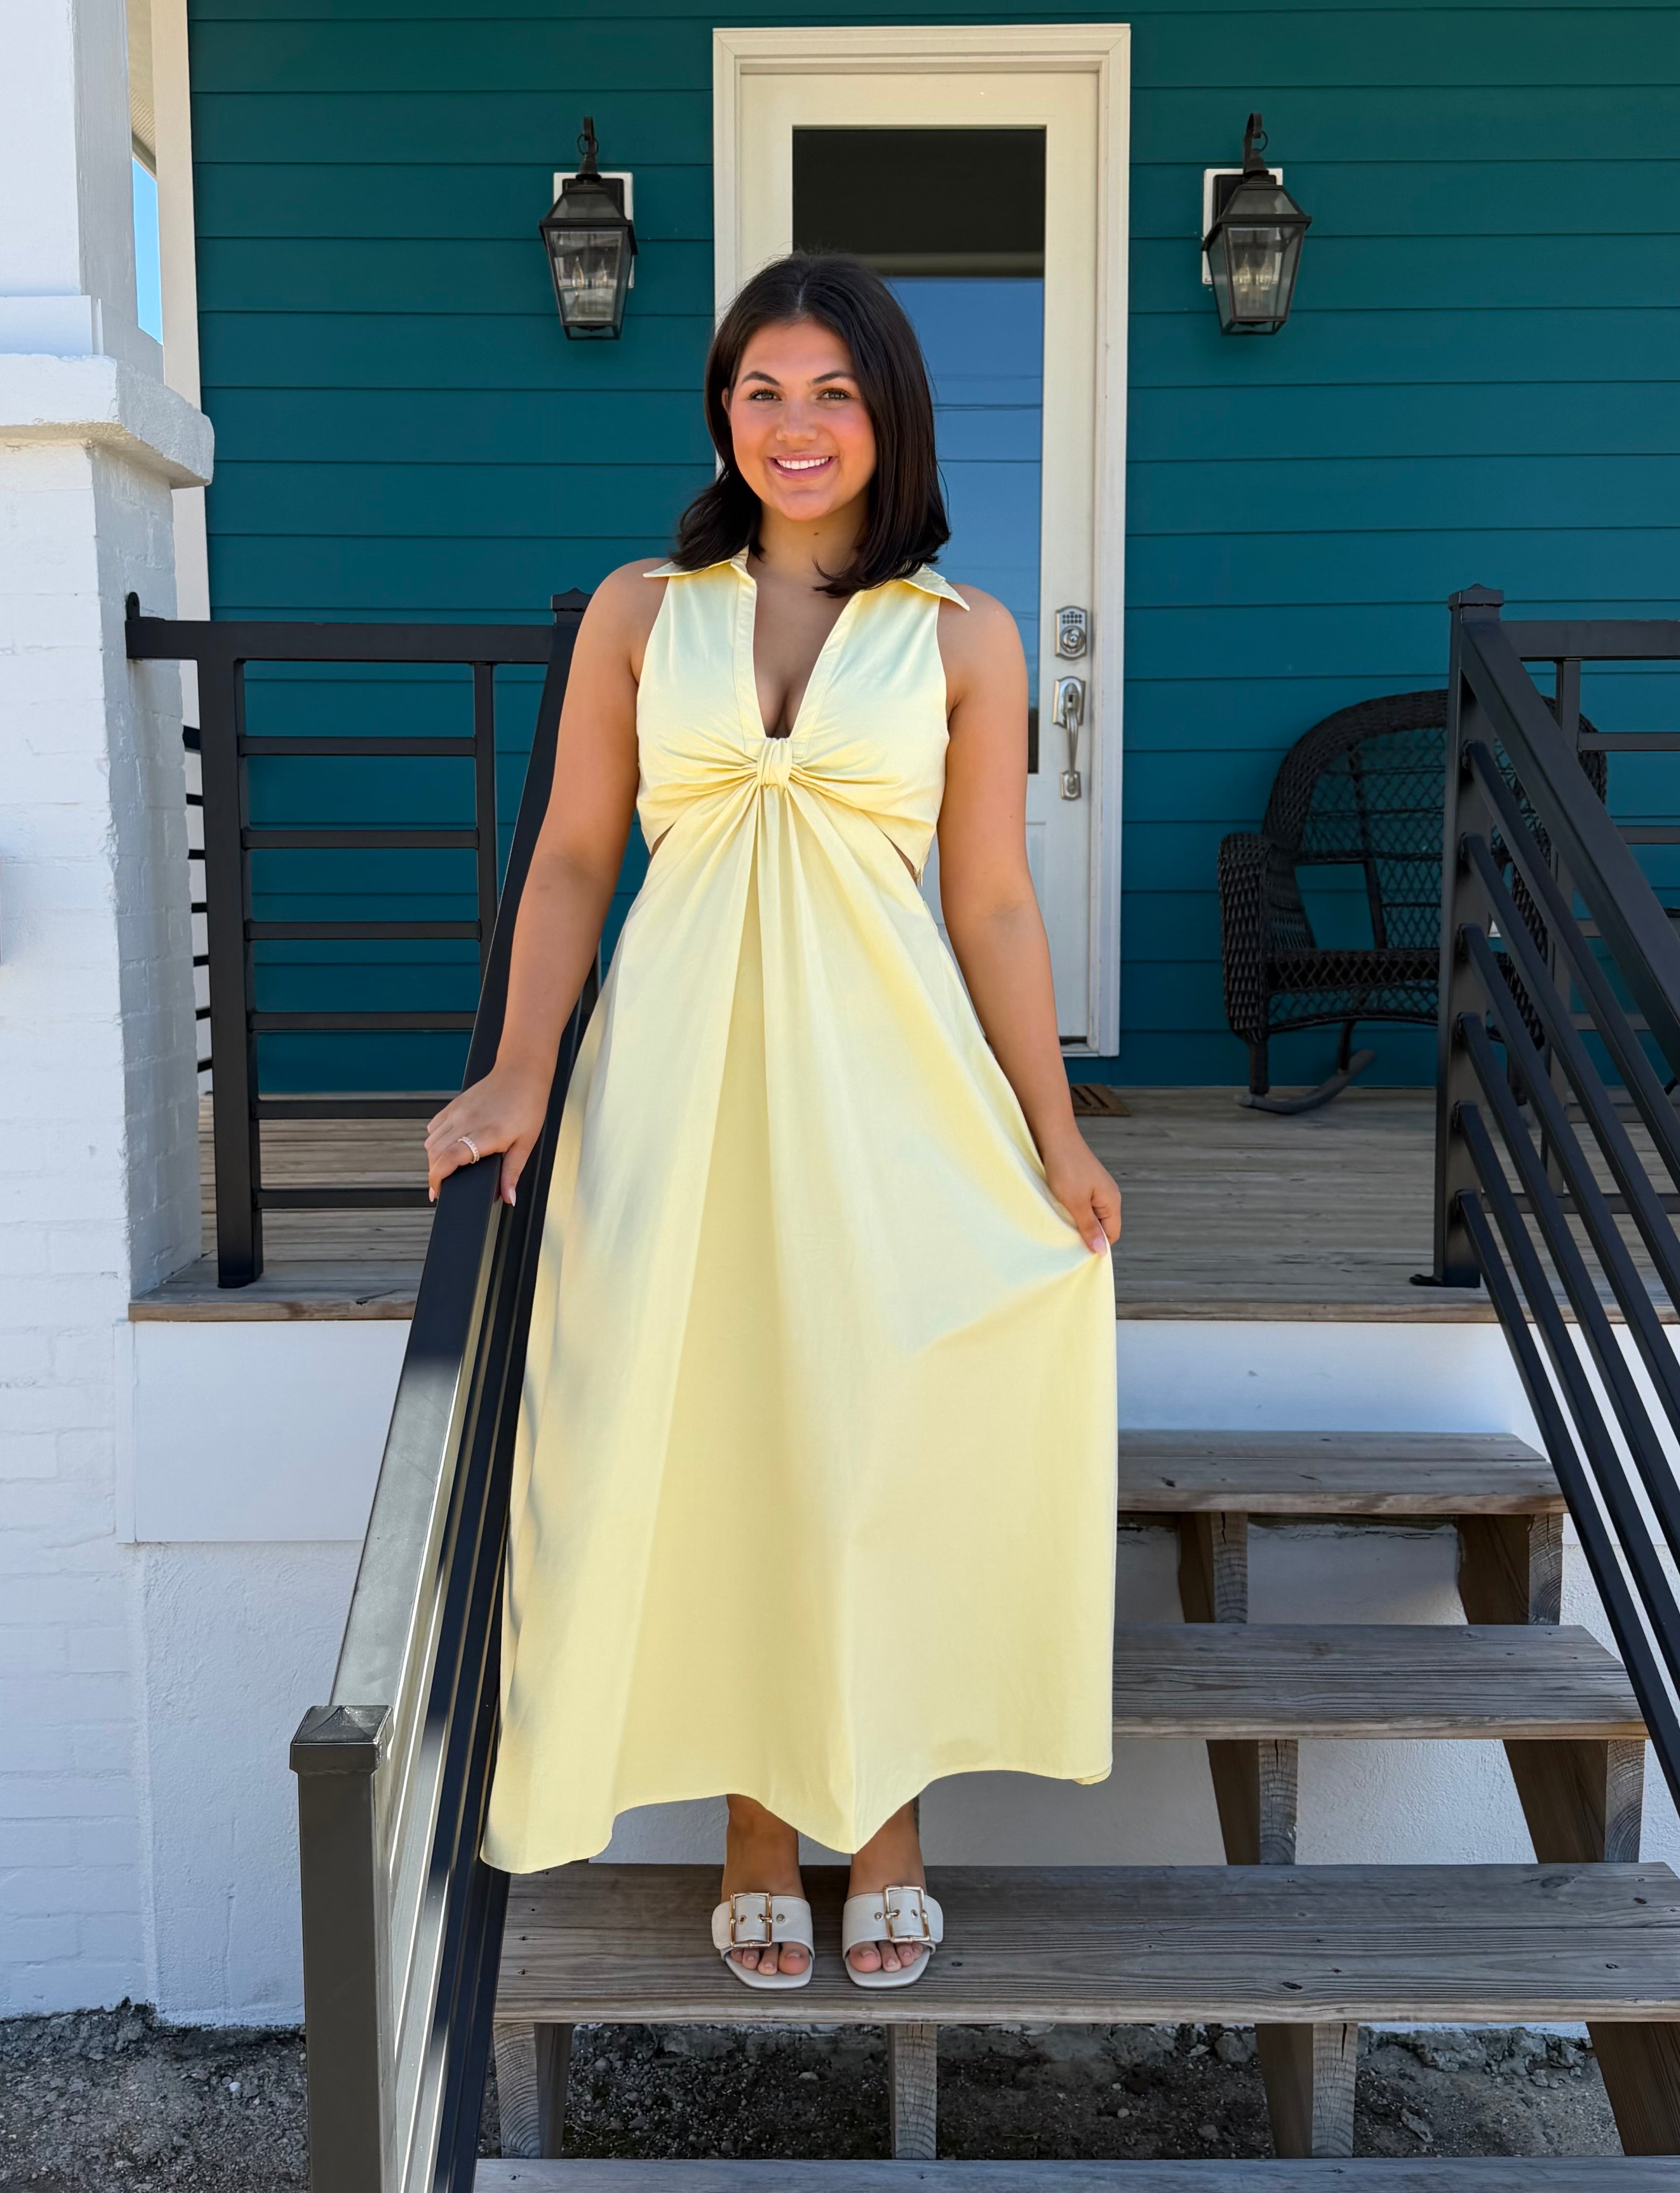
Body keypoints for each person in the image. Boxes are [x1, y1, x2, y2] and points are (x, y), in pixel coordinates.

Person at [426, 253, 1119, 1992]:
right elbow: (578, 852)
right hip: (676, 1075)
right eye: (760, 390)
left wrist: (1053, 1129)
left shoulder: (962, 635)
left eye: (831, 392)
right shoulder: (640, 612)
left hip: (889, 1082)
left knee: (871, 1426)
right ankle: (754, 1816)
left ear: (889, 416)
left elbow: (995, 908)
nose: (794, 426)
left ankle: (876, 1813)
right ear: (720, 412)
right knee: (717, 1420)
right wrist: (523, 1064)